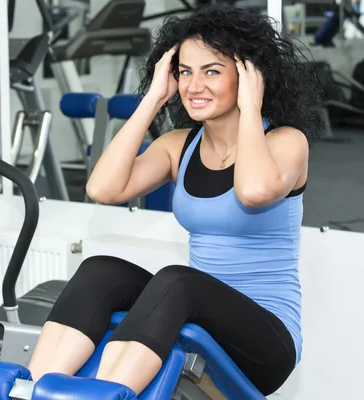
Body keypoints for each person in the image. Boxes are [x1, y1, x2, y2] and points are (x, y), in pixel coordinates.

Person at [27, 4, 324, 397]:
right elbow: (103, 190)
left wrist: (251, 107)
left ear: (250, 75)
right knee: (101, 270)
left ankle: (103, 395)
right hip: (194, 312)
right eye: (185, 72)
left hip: (266, 341)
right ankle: (33, 389)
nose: (193, 85)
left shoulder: (286, 142)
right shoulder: (177, 147)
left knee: (178, 280)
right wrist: (153, 98)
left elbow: (252, 192)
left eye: (212, 71)